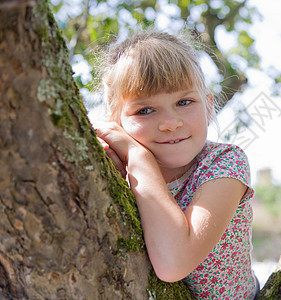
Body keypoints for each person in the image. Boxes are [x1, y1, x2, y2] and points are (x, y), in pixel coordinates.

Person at [92, 29, 259, 299]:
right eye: (144, 110)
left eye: (184, 102)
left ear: (208, 105)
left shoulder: (224, 163)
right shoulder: (117, 174)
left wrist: (140, 158)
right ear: (116, 122)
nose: (170, 123)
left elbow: (173, 264)